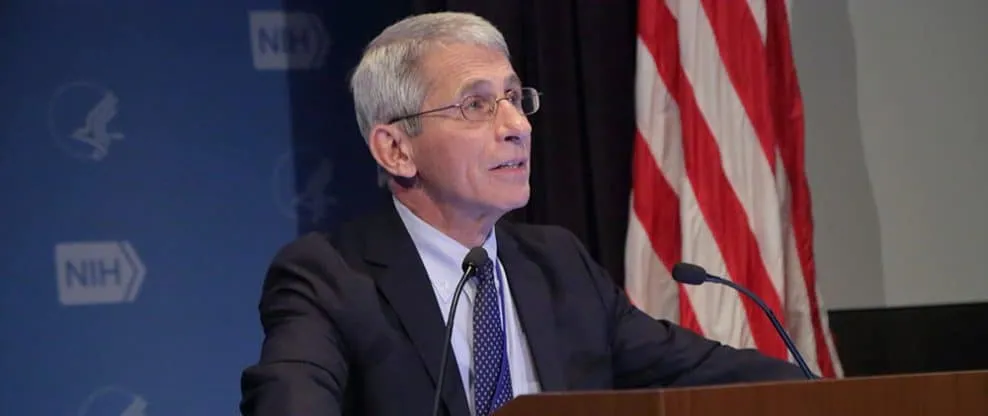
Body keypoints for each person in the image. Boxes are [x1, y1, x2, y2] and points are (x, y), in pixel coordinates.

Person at [239, 11, 807, 416]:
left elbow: (702, 374)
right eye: (476, 105)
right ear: (396, 149)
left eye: (515, 98)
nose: (517, 126)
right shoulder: (328, 277)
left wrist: (825, 393)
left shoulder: (557, 263)